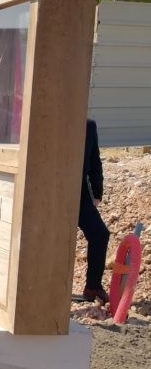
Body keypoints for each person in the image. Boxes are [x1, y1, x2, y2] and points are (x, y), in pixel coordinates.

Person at [79, 118, 110, 303]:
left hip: (79, 193)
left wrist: (97, 192)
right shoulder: (52, 119)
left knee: (100, 234)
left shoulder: (88, 126)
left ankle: (92, 287)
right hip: (51, 192)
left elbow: (94, 161)